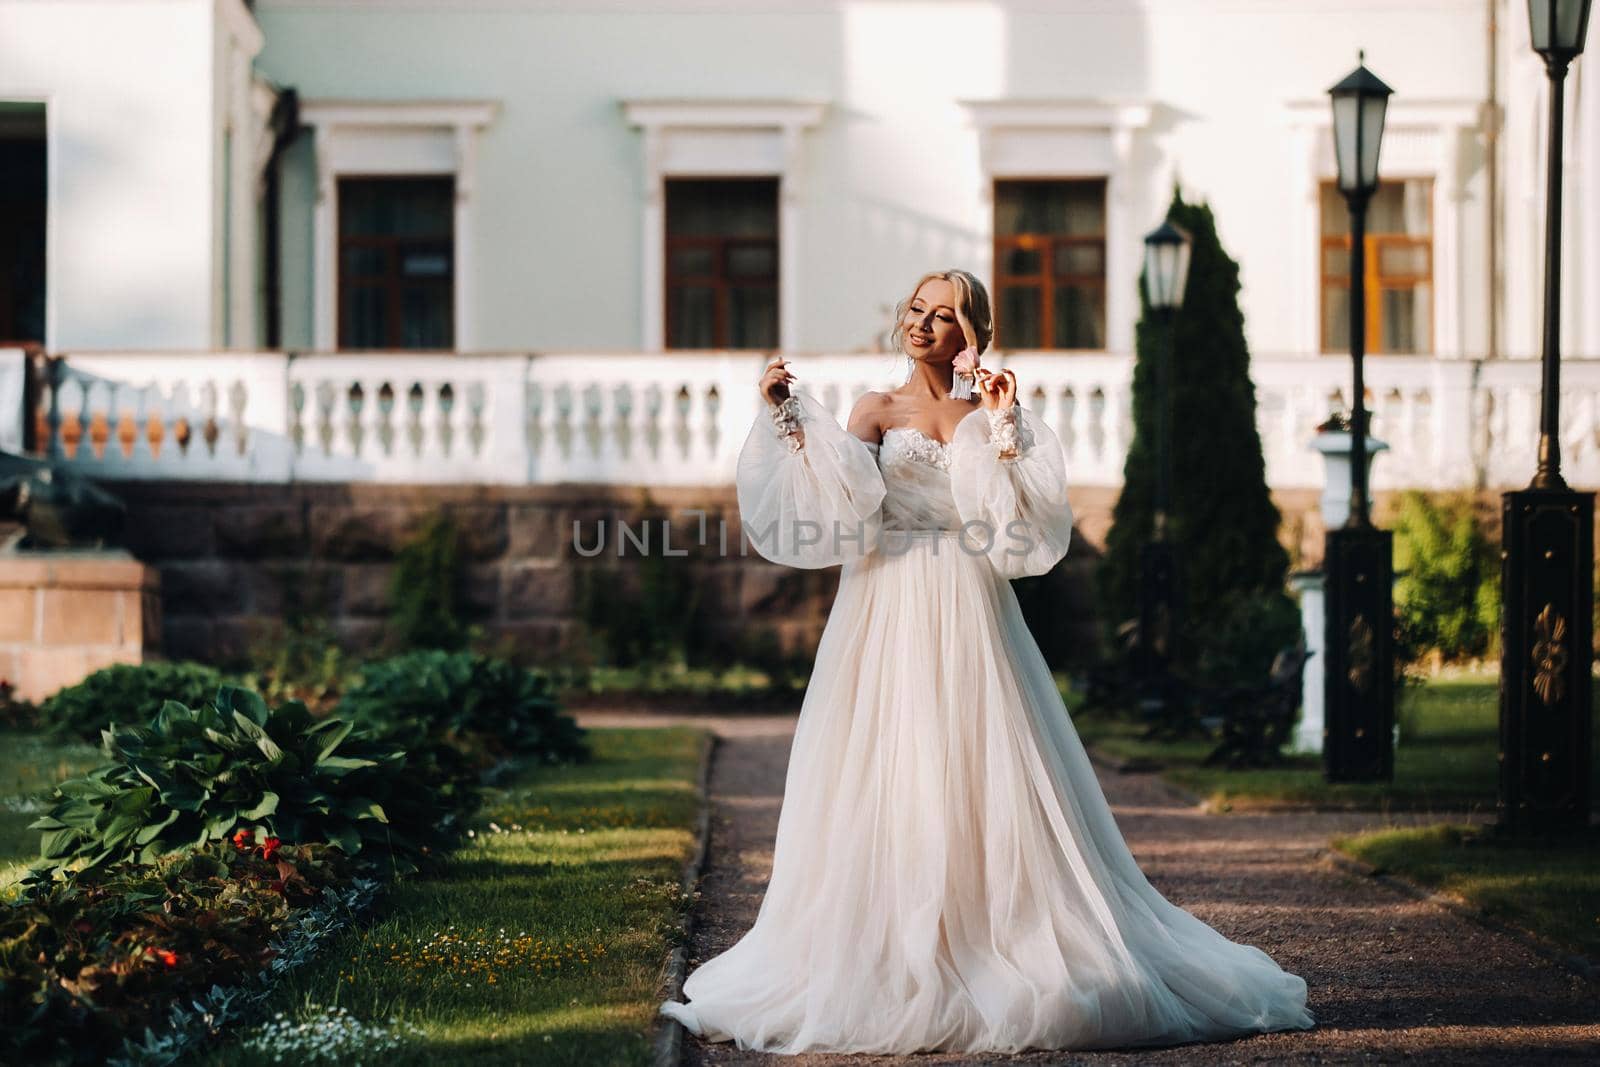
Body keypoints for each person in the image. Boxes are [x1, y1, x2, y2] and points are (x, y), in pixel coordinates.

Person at [657, 269, 1314, 1054]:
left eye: (944, 316)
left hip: (972, 607)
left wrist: (1003, 425)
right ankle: (889, 948)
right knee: (887, 771)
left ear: (973, 333)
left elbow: (1022, 531)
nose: (924, 325)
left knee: (985, 769)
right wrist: (789, 416)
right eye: (916, 310)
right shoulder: (873, 410)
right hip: (885, 605)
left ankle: (997, 934)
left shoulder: (985, 411)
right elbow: (841, 506)